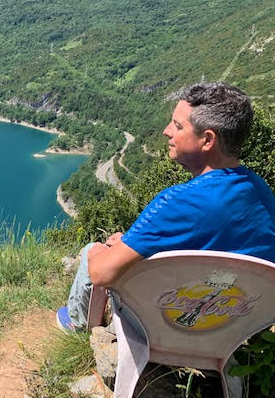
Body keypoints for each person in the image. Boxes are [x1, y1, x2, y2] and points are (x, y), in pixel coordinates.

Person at [57, 82, 275, 330]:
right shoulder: (262, 193)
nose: (166, 131)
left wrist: (99, 254)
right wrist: (131, 243)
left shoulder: (176, 203)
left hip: (166, 329)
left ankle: (76, 324)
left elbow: (101, 274)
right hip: (230, 329)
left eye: (178, 126)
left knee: (92, 252)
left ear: (207, 140)